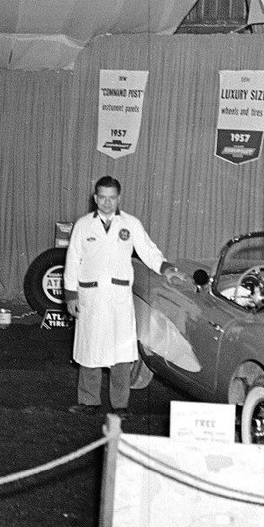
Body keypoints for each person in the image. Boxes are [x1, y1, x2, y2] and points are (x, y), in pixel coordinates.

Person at [62, 176, 185, 418]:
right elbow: (72, 260)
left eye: (111, 198)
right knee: (90, 349)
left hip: (119, 298)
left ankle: (120, 406)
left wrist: (166, 268)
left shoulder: (131, 224)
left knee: (121, 351)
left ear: (119, 198)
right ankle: (89, 402)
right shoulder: (83, 225)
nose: (106, 203)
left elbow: (148, 251)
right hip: (91, 296)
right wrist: (71, 295)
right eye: (102, 198)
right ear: (95, 198)